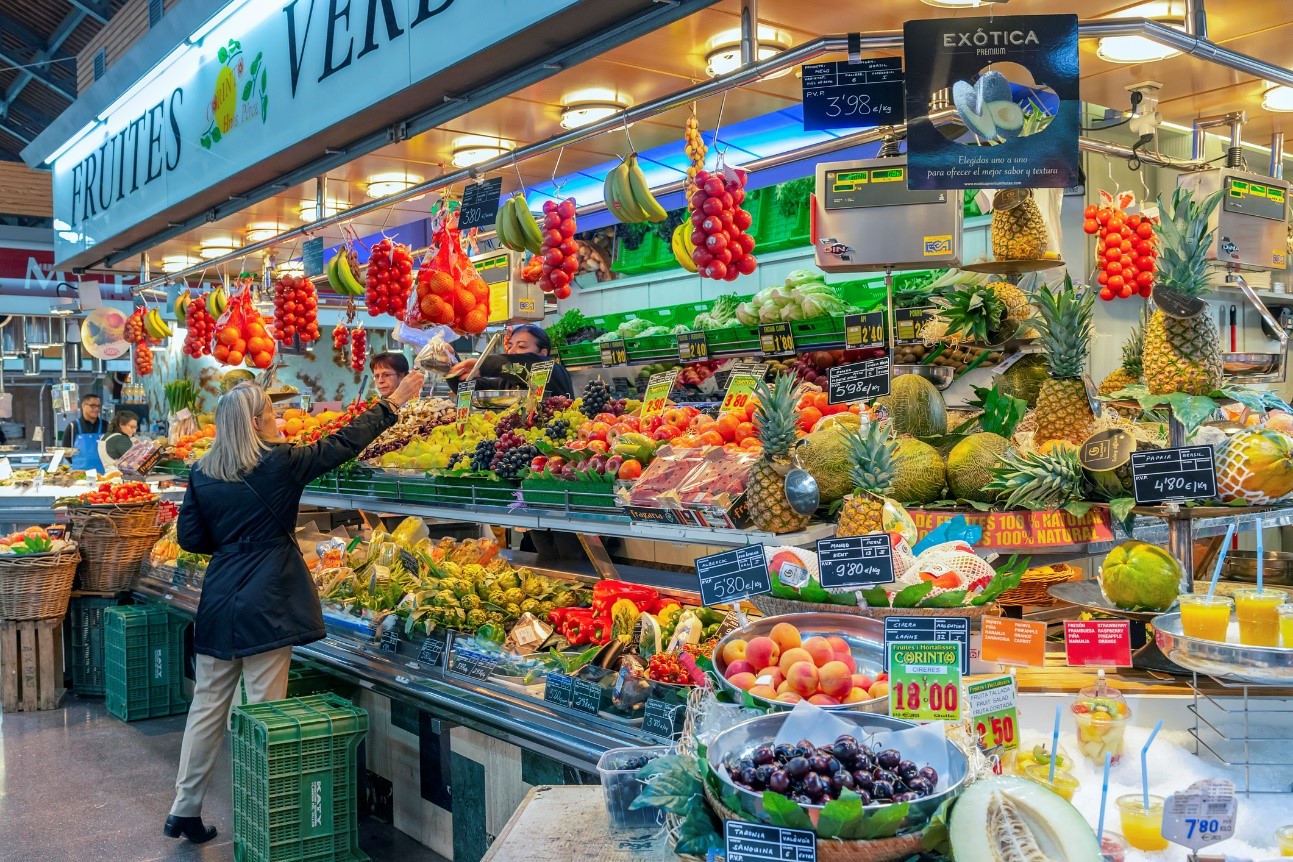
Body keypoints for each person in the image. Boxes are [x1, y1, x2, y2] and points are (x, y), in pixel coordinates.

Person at [165, 370, 425, 844]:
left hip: (220, 597)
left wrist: (232, 542)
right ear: (259, 421)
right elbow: (344, 443)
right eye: (271, 412)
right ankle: (261, 816)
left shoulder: (202, 471)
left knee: (206, 707)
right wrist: (393, 404)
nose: (278, 419)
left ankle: (184, 808)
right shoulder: (281, 462)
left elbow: (190, 538)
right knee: (266, 712)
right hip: (269, 596)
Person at [447, 323, 574, 399]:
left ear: (543, 353)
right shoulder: (507, 383)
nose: (512, 351)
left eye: (522, 346)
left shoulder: (554, 370)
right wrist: (449, 361)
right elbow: (465, 387)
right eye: (510, 346)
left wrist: (483, 365)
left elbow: (532, 364)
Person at [61, 393, 106, 473]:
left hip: (103, 474)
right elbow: (66, 452)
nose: (96, 409)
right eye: (93, 406)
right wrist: (78, 463)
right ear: (83, 406)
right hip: (79, 475)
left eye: (98, 406)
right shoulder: (72, 427)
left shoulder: (107, 426)